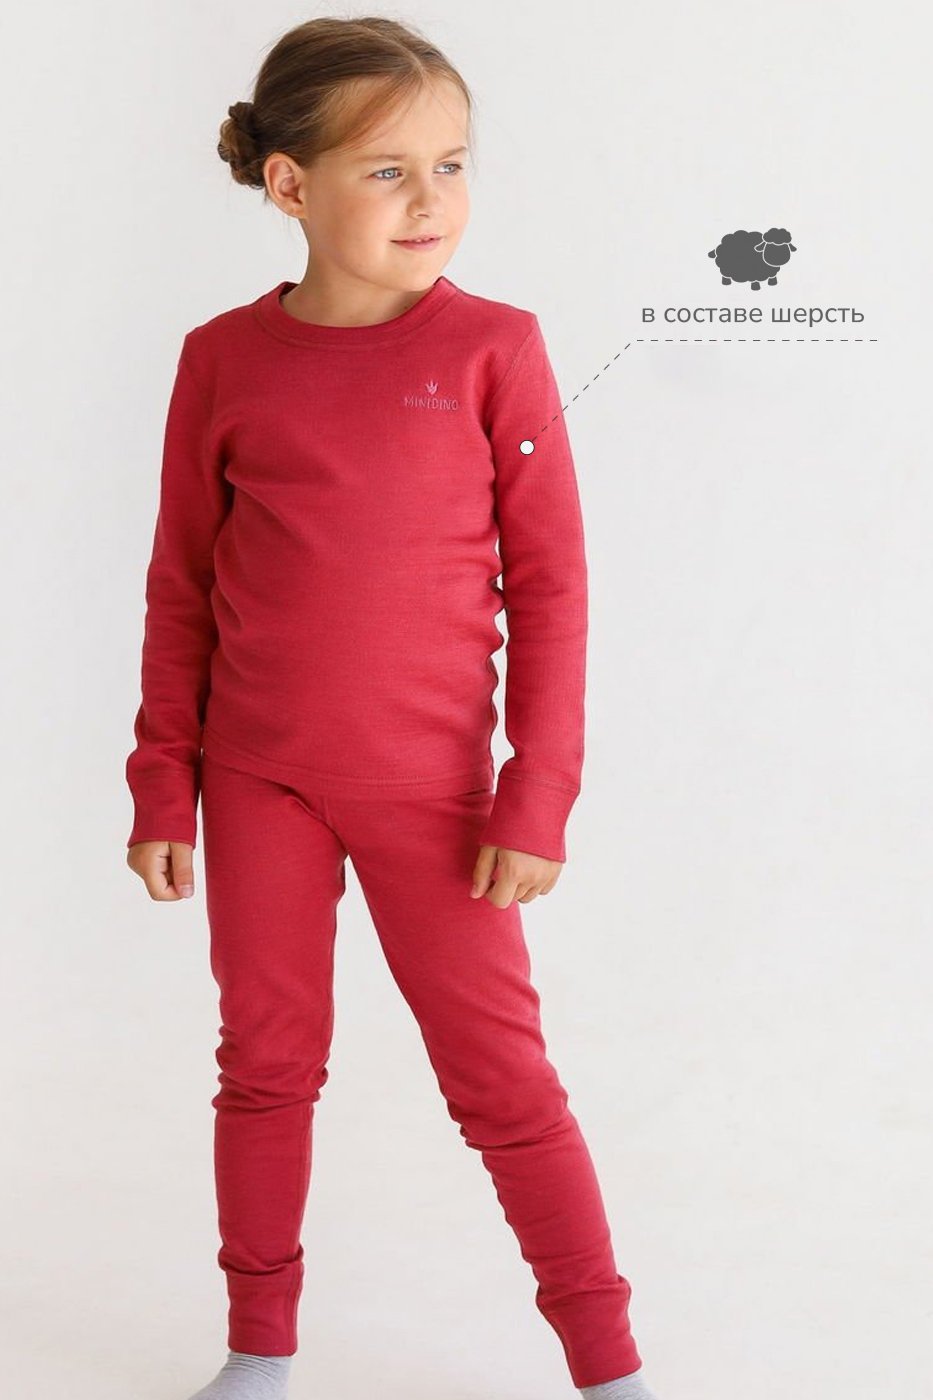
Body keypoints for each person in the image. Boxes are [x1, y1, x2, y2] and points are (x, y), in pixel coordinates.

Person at [124, 15, 660, 1400]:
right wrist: (162, 780)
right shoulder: (222, 359)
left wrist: (536, 792)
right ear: (289, 185)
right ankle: (259, 1350)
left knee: (504, 1085)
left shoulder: (496, 348)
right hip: (257, 781)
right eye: (387, 170)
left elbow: (555, 589)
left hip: (441, 802)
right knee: (265, 1067)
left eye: (452, 164)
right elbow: (182, 584)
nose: (432, 201)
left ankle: (608, 1368)